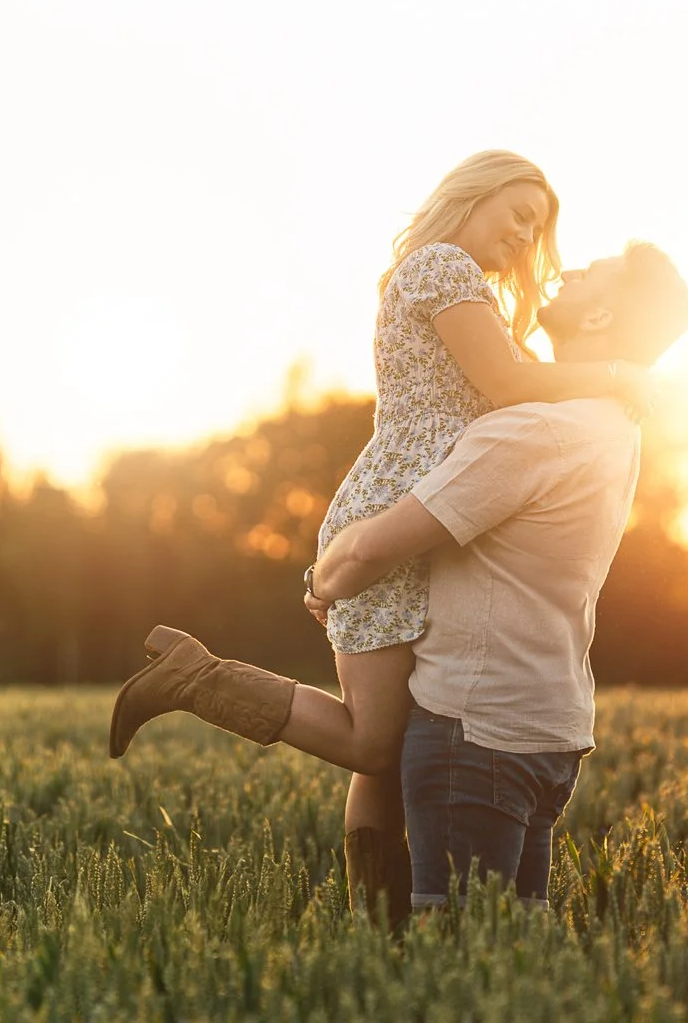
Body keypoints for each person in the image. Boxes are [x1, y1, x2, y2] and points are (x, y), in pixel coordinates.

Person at [108, 150, 656, 923]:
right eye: (518, 213)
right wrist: (613, 375)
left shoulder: (473, 298)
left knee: (389, 751)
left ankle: (382, 932)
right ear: (473, 194)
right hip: (392, 517)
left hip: (421, 521)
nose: (526, 236)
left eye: (537, 227)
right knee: (375, 745)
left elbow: (518, 383)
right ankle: (199, 680)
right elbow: (506, 385)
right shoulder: (440, 268)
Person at [307, 242, 688, 911]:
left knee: (455, 956)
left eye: (588, 273)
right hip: (550, 730)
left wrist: (324, 579)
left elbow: (375, 547)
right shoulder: (611, 427)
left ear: (600, 317)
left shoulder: (532, 432)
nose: (566, 269)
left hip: (474, 730)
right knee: (510, 956)